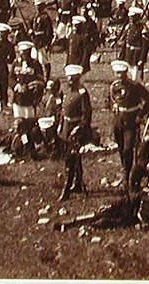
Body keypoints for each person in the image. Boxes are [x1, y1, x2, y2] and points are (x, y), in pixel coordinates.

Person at [107, 59, 149, 186]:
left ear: (126, 73)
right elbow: (109, 101)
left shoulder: (135, 86)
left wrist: (140, 115)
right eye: (117, 73)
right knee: (121, 147)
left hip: (131, 121)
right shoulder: (114, 86)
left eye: (121, 73)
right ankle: (124, 170)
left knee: (129, 149)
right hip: (118, 121)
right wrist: (113, 105)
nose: (119, 76)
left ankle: (128, 175)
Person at [60, 64, 92, 200]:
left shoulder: (82, 93)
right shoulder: (68, 92)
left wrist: (79, 128)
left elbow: (87, 114)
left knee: (70, 159)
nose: (69, 81)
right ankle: (78, 183)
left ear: (77, 78)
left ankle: (66, 188)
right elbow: (63, 111)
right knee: (72, 157)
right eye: (68, 78)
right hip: (67, 127)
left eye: (72, 79)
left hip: (77, 128)